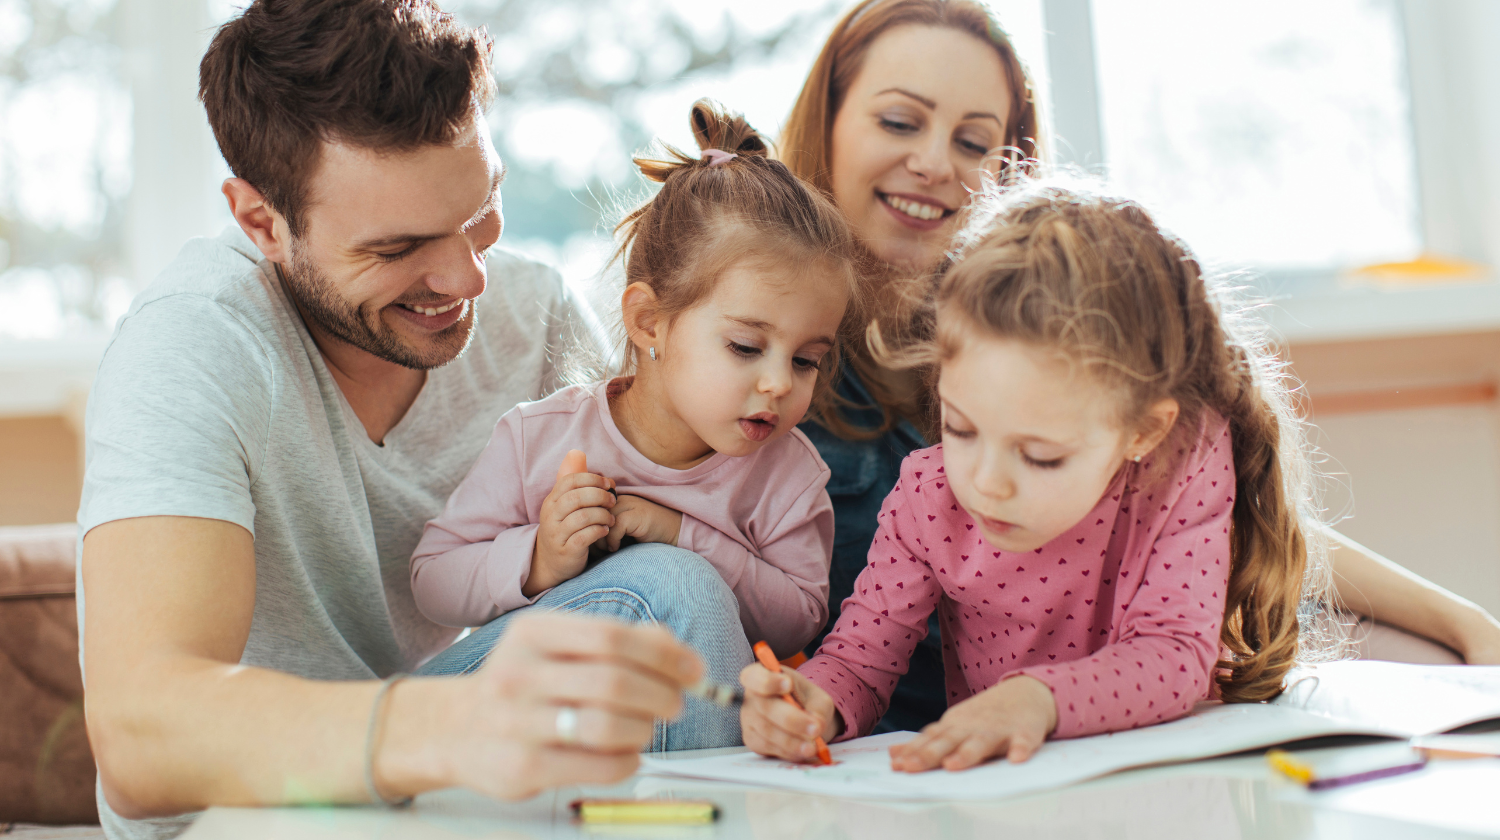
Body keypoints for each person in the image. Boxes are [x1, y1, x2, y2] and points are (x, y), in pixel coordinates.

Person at [77, 3, 742, 838]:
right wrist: (453, 728)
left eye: (479, 216)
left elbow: (662, 569)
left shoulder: (533, 314)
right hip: (249, 809)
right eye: (397, 250)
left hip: (443, 791)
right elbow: (142, 739)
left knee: (674, 590)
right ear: (261, 222)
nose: (467, 279)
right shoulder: (192, 342)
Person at [779, 0, 1500, 733]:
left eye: (973, 140)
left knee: (1437, 668)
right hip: (944, 731)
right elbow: (856, 654)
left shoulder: (1095, 351)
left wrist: (1465, 620)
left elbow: (1247, 525)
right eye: (900, 121)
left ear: (1010, 169)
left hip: (1128, 706)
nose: (934, 163)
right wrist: (818, 702)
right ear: (827, 123)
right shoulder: (770, 359)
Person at [741, 181, 1336, 768]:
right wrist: (811, 704)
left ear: (1143, 432)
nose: (987, 483)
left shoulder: (1182, 465)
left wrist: (1036, 699)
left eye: (1041, 456)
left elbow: (1175, 655)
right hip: (1011, 798)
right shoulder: (929, 493)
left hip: (1166, 785)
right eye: (963, 430)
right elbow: (857, 664)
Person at [409, 102, 858, 707]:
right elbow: (432, 583)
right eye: (746, 346)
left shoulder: (790, 472)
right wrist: (539, 558)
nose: (780, 383)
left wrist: (680, 535)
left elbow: (799, 622)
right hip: (525, 717)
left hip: (670, 728)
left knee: (682, 587)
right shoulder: (539, 438)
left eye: (806, 360)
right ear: (650, 322)